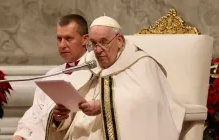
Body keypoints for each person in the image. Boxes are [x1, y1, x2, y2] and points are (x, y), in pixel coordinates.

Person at [49, 16, 186, 140]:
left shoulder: (140, 62)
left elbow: (149, 102)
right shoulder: (90, 62)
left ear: (119, 40)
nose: (97, 50)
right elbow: (74, 106)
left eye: (103, 42)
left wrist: (103, 106)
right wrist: (61, 117)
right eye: (94, 43)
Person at [12, 14, 92, 140]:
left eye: (68, 38)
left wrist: (59, 118)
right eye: (59, 39)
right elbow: (36, 112)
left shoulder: (95, 72)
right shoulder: (52, 75)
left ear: (85, 39)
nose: (62, 45)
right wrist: (21, 134)